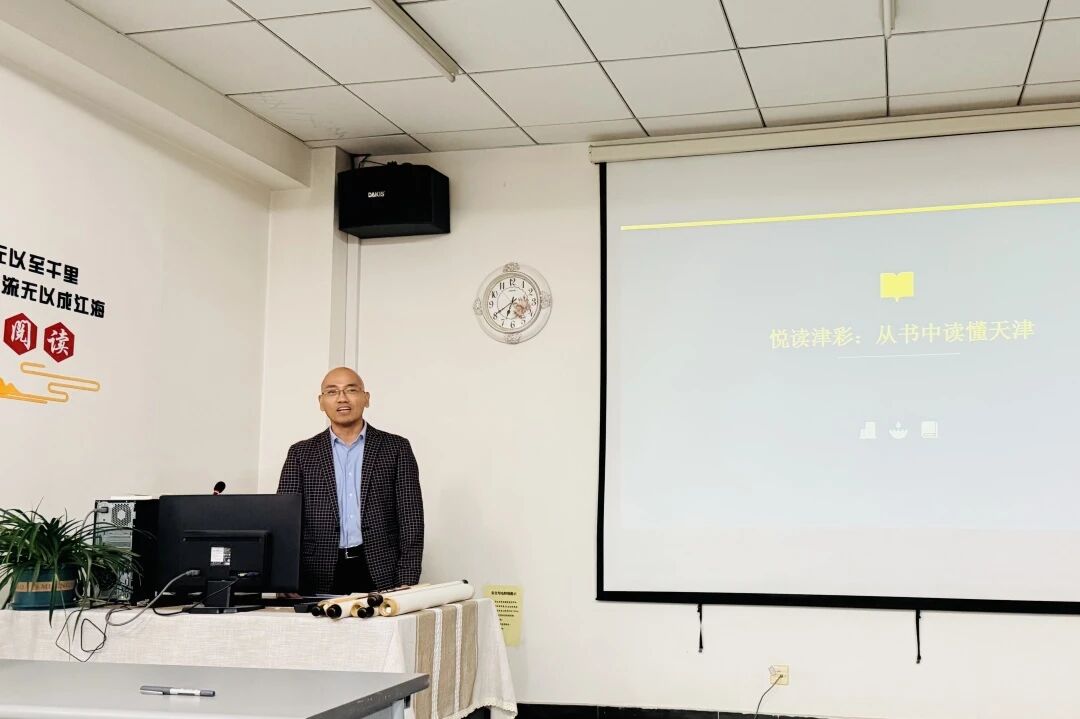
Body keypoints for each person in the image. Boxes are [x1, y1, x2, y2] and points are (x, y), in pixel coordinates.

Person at [277, 367, 423, 595]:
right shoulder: (301, 453)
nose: (342, 398)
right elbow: (285, 522)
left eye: (351, 390)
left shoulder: (396, 448)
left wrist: (408, 578)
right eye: (332, 392)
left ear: (366, 398)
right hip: (316, 572)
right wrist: (285, 579)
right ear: (321, 402)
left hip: (381, 569)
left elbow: (411, 518)